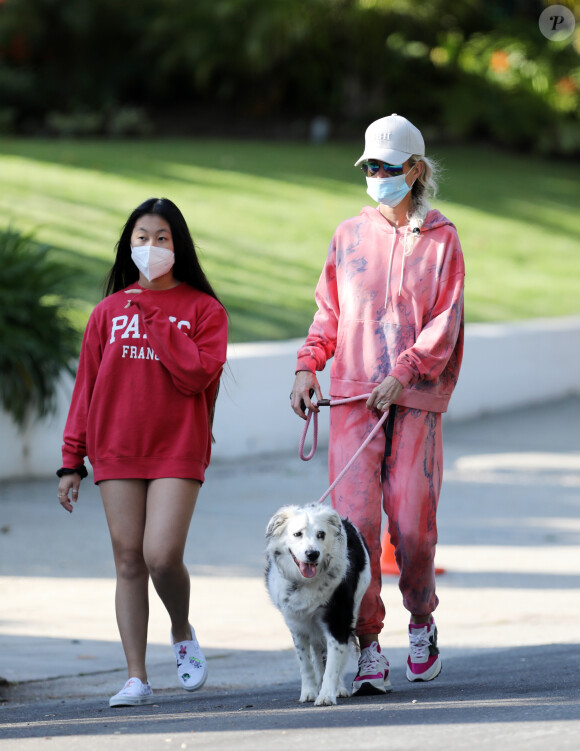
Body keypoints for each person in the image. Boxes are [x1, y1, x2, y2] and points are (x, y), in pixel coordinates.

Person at [290, 114, 464, 695]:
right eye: (370, 166)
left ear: (415, 170)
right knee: (354, 529)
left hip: (414, 402)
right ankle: (367, 645)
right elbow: (328, 311)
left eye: (388, 167)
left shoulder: (443, 239)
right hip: (353, 403)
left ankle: (421, 620)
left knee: (412, 525)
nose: (377, 176)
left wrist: (407, 370)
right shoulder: (348, 235)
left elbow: (446, 320)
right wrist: (307, 365)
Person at [57, 197, 228, 707]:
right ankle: (137, 676)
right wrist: (72, 461)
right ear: (127, 245)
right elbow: (85, 389)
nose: (150, 247)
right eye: (140, 238)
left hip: (178, 447)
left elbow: (198, 373)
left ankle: (180, 629)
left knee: (161, 555)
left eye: (161, 238)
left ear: (179, 246)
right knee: (129, 560)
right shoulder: (107, 312)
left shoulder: (204, 310)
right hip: (116, 450)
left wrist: (155, 322)